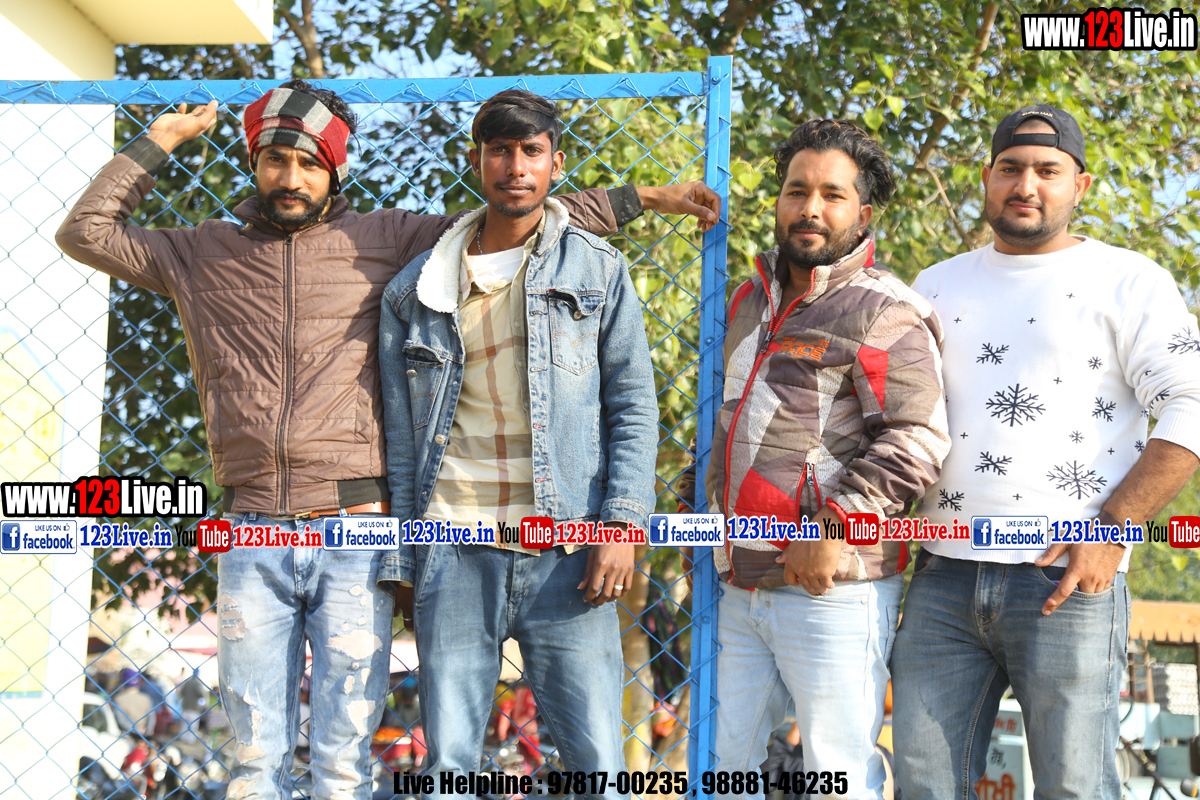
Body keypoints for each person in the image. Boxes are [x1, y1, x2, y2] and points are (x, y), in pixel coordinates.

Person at [55, 79, 719, 800]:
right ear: (253, 163)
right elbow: (85, 233)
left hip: (358, 527)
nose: (291, 178)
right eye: (275, 160)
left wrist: (647, 198)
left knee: (345, 763)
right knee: (253, 760)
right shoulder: (200, 254)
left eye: (309, 163)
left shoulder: (384, 238)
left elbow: (514, 214)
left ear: (335, 169)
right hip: (252, 528)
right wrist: (161, 141)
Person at [893, 104, 1200, 800]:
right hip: (942, 577)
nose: (1025, 184)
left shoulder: (1128, 280)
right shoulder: (934, 284)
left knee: (1073, 789)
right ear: (986, 178)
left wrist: (1114, 530)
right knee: (923, 784)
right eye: (1010, 168)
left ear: (1079, 186)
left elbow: (1192, 401)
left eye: (1047, 170)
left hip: (1067, 577)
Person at [379, 90, 667, 799]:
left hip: (566, 550)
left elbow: (634, 406)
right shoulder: (415, 291)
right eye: (500, 151)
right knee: (448, 767)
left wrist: (623, 525)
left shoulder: (597, 270)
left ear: (555, 164)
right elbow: (399, 440)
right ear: (477, 161)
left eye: (531, 151)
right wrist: (405, 557)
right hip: (452, 546)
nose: (516, 166)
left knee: (596, 763)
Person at [689, 119, 950, 799]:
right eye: (796, 190)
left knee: (839, 777)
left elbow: (917, 438)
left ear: (863, 214)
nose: (810, 208)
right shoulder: (747, 301)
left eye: (832, 195)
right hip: (739, 581)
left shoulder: (885, 310)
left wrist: (832, 527)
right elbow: (728, 426)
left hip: (833, 587)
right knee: (722, 770)